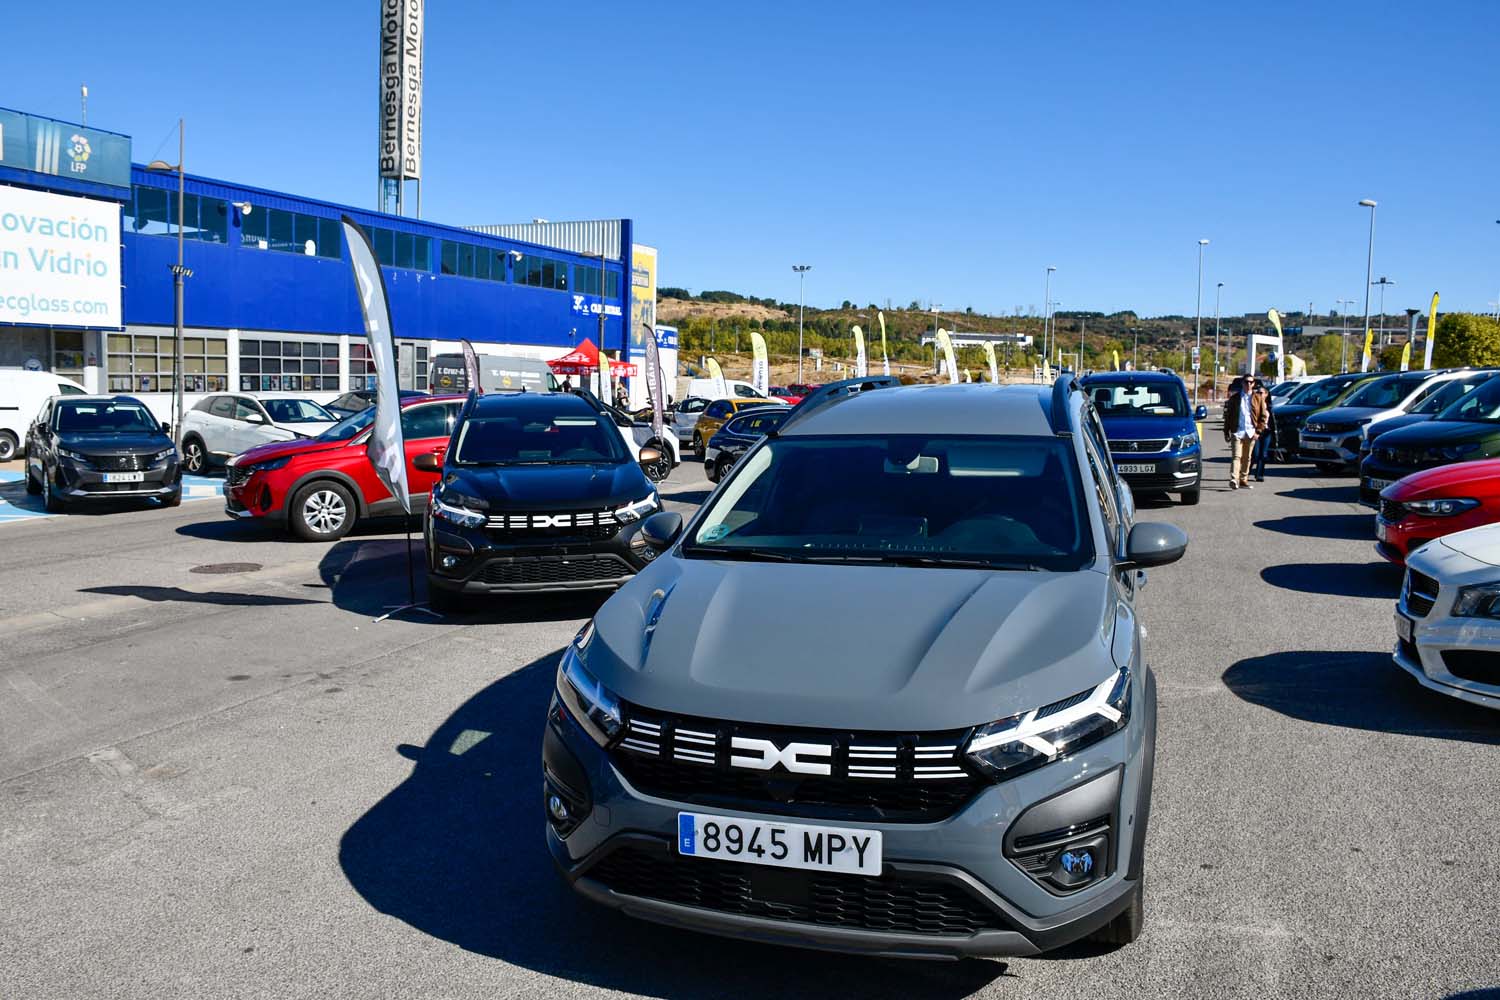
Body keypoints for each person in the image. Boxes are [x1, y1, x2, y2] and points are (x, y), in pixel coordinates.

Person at [1222, 375, 1268, 490]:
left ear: (1253, 384)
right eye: (1246, 382)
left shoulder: (1258, 398)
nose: (1248, 384)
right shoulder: (1235, 398)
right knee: (1236, 456)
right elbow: (1228, 416)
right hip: (1237, 431)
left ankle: (1243, 480)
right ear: (1242, 383)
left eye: (1251, 382)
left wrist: (1258, 431)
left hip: (1251, 432)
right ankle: (1234, 479)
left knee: (1247, 458)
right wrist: (1226, 431)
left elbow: (1263, 417)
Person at [1250, 379, 1275, 482]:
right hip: (1256, 432)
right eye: (1258, 393)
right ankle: (1245, 472)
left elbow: (1272, 422)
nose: (1259, 394)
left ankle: (1259, 475)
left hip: (1266, 432)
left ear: (1266, 394)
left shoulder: (1269, 406)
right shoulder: (1253, 405)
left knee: (1263, 454)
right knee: (1255, 454)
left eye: (1261, 393)